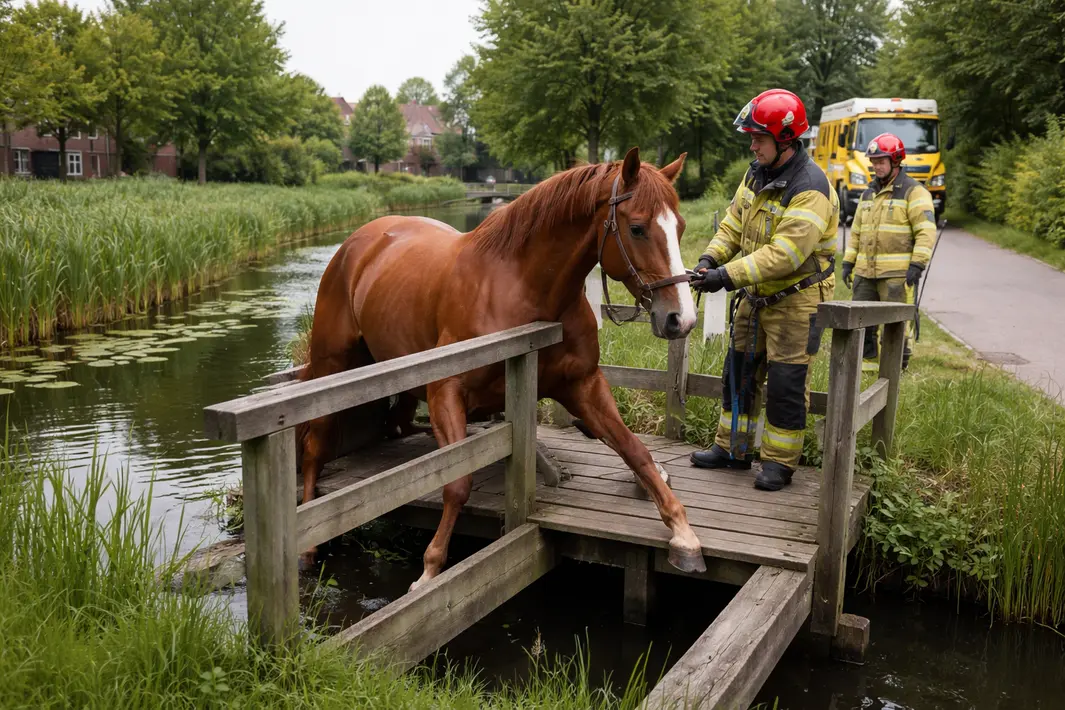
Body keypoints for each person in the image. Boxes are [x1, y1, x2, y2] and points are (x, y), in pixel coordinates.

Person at [688, 89, 838, 492]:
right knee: (737, 372)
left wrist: (726, 277)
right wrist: (709, 260)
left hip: (796, 298)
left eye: (758, 138)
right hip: (755, 295)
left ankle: (778, 464)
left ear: (785, 139)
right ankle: (732, 449)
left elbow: (786, 255)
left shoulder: (811, 187)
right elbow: (734, 225)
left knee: (787, 383)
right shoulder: (757, 172)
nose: (751, 145)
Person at [841, 133, 937, 370]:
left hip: (896, 275)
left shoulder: (914, 192)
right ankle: (864, 368)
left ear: (896, 161)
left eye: (881, 161)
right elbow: (857, 232)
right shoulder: (868, 193)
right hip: (864, 273)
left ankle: (896, 370)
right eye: (873, 161)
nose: (876, 166)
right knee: (859, 324)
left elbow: (926, 232)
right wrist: (848, 262)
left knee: (896, 325)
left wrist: (917, 264)